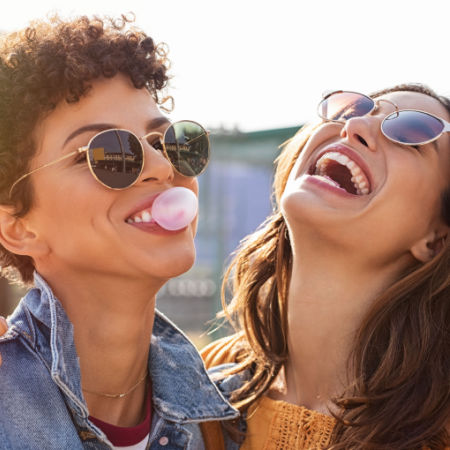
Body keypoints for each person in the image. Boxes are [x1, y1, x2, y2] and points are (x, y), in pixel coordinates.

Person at [0, 14, 239, 449]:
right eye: (109, 154)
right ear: (18, 227)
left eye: (169, 141)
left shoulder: (230, 421)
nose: (163, 167)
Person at [202, 85, 450, 448]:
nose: (356, 127)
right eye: (351, 112)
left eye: (411, 135)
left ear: (436, 240)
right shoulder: (197, 382)